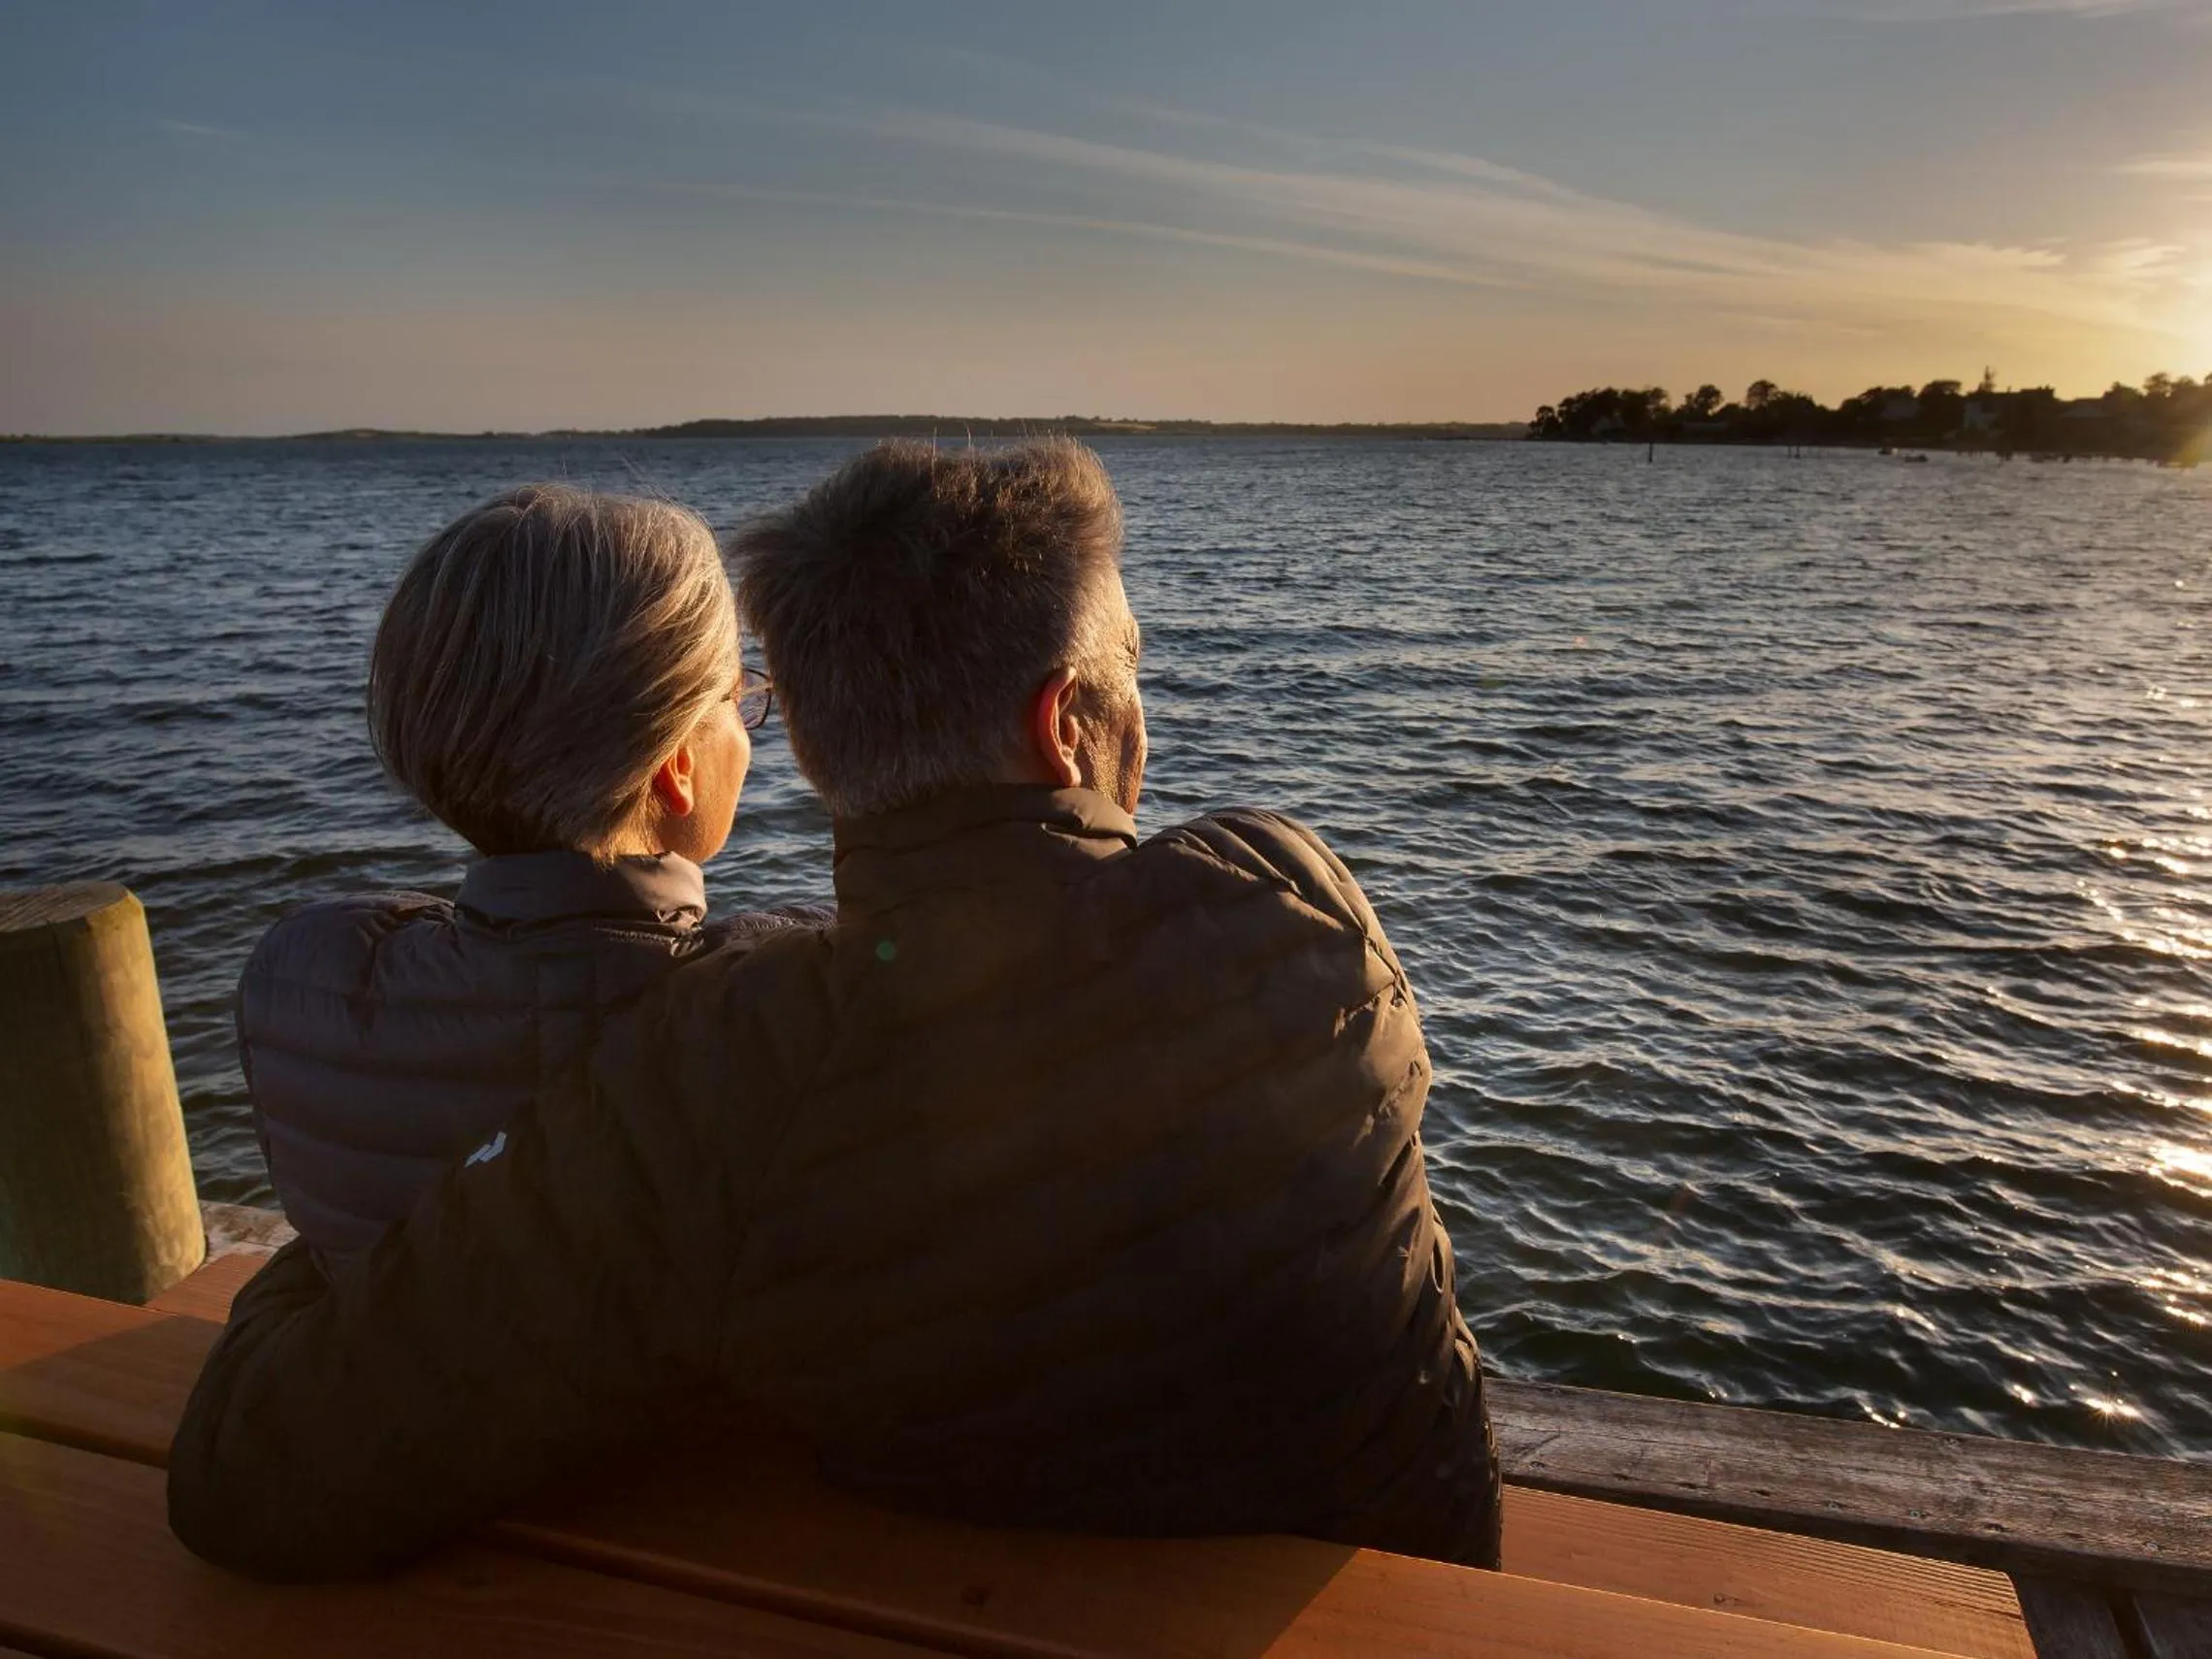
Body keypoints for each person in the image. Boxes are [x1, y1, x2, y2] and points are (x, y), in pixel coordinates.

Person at [169, 439, 1502, 1579]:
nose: (1143, 710)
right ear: (1062, 727)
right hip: (1423, 1584)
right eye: (1131, 671)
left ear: (805, 743)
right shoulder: (1299, 904)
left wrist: (327, 1258)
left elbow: (257, 1474)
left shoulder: (740, 1055)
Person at [238, 482, 794, 1256]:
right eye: (737, 699)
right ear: (673, 764)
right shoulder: (788, 1001)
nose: (750, 728)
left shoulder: (300, 982)